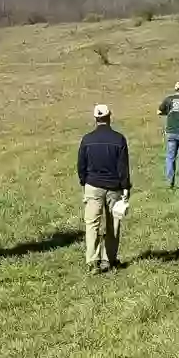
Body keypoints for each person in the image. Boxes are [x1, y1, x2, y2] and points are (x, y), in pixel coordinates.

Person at [77, 102, 131, 273]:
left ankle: (92, 261)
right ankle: (108, 260)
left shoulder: (87, 140)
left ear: (95, 119)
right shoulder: (119, 139)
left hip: (92, 186)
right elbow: (123, 167)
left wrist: (84, 181)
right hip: (113, 188)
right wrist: (125, 187)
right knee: (112, 224)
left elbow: (81, 165)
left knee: (92, 224)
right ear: (109, 117)